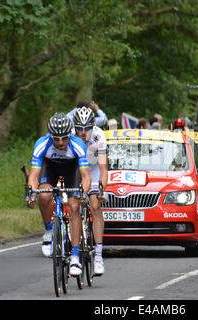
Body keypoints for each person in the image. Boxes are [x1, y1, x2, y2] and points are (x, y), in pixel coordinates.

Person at [26, 112, 91, 277]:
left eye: (64, 138)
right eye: (56, 139)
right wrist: (30, 194)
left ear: (70, 134)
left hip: (72, 168)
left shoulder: (77, 145)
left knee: (74, 206)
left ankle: (75, 256)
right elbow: (33, 176)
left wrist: (83, 191)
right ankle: (49, 231)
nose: (61, 143)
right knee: (45, 195)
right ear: (50, 136)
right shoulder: (42, 144)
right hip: (51, 167)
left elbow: (85, 176)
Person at [73, 106, 108, 276]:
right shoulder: (70, 135)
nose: (82, 131)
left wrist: (101, 189)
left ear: (93, 126)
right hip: (76, 171)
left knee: (95, 206)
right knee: (72, 205)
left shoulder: (99, 136)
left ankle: (99, 257)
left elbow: (103, 169)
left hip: (93, 172)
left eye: (86, 128)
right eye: (79, 127)